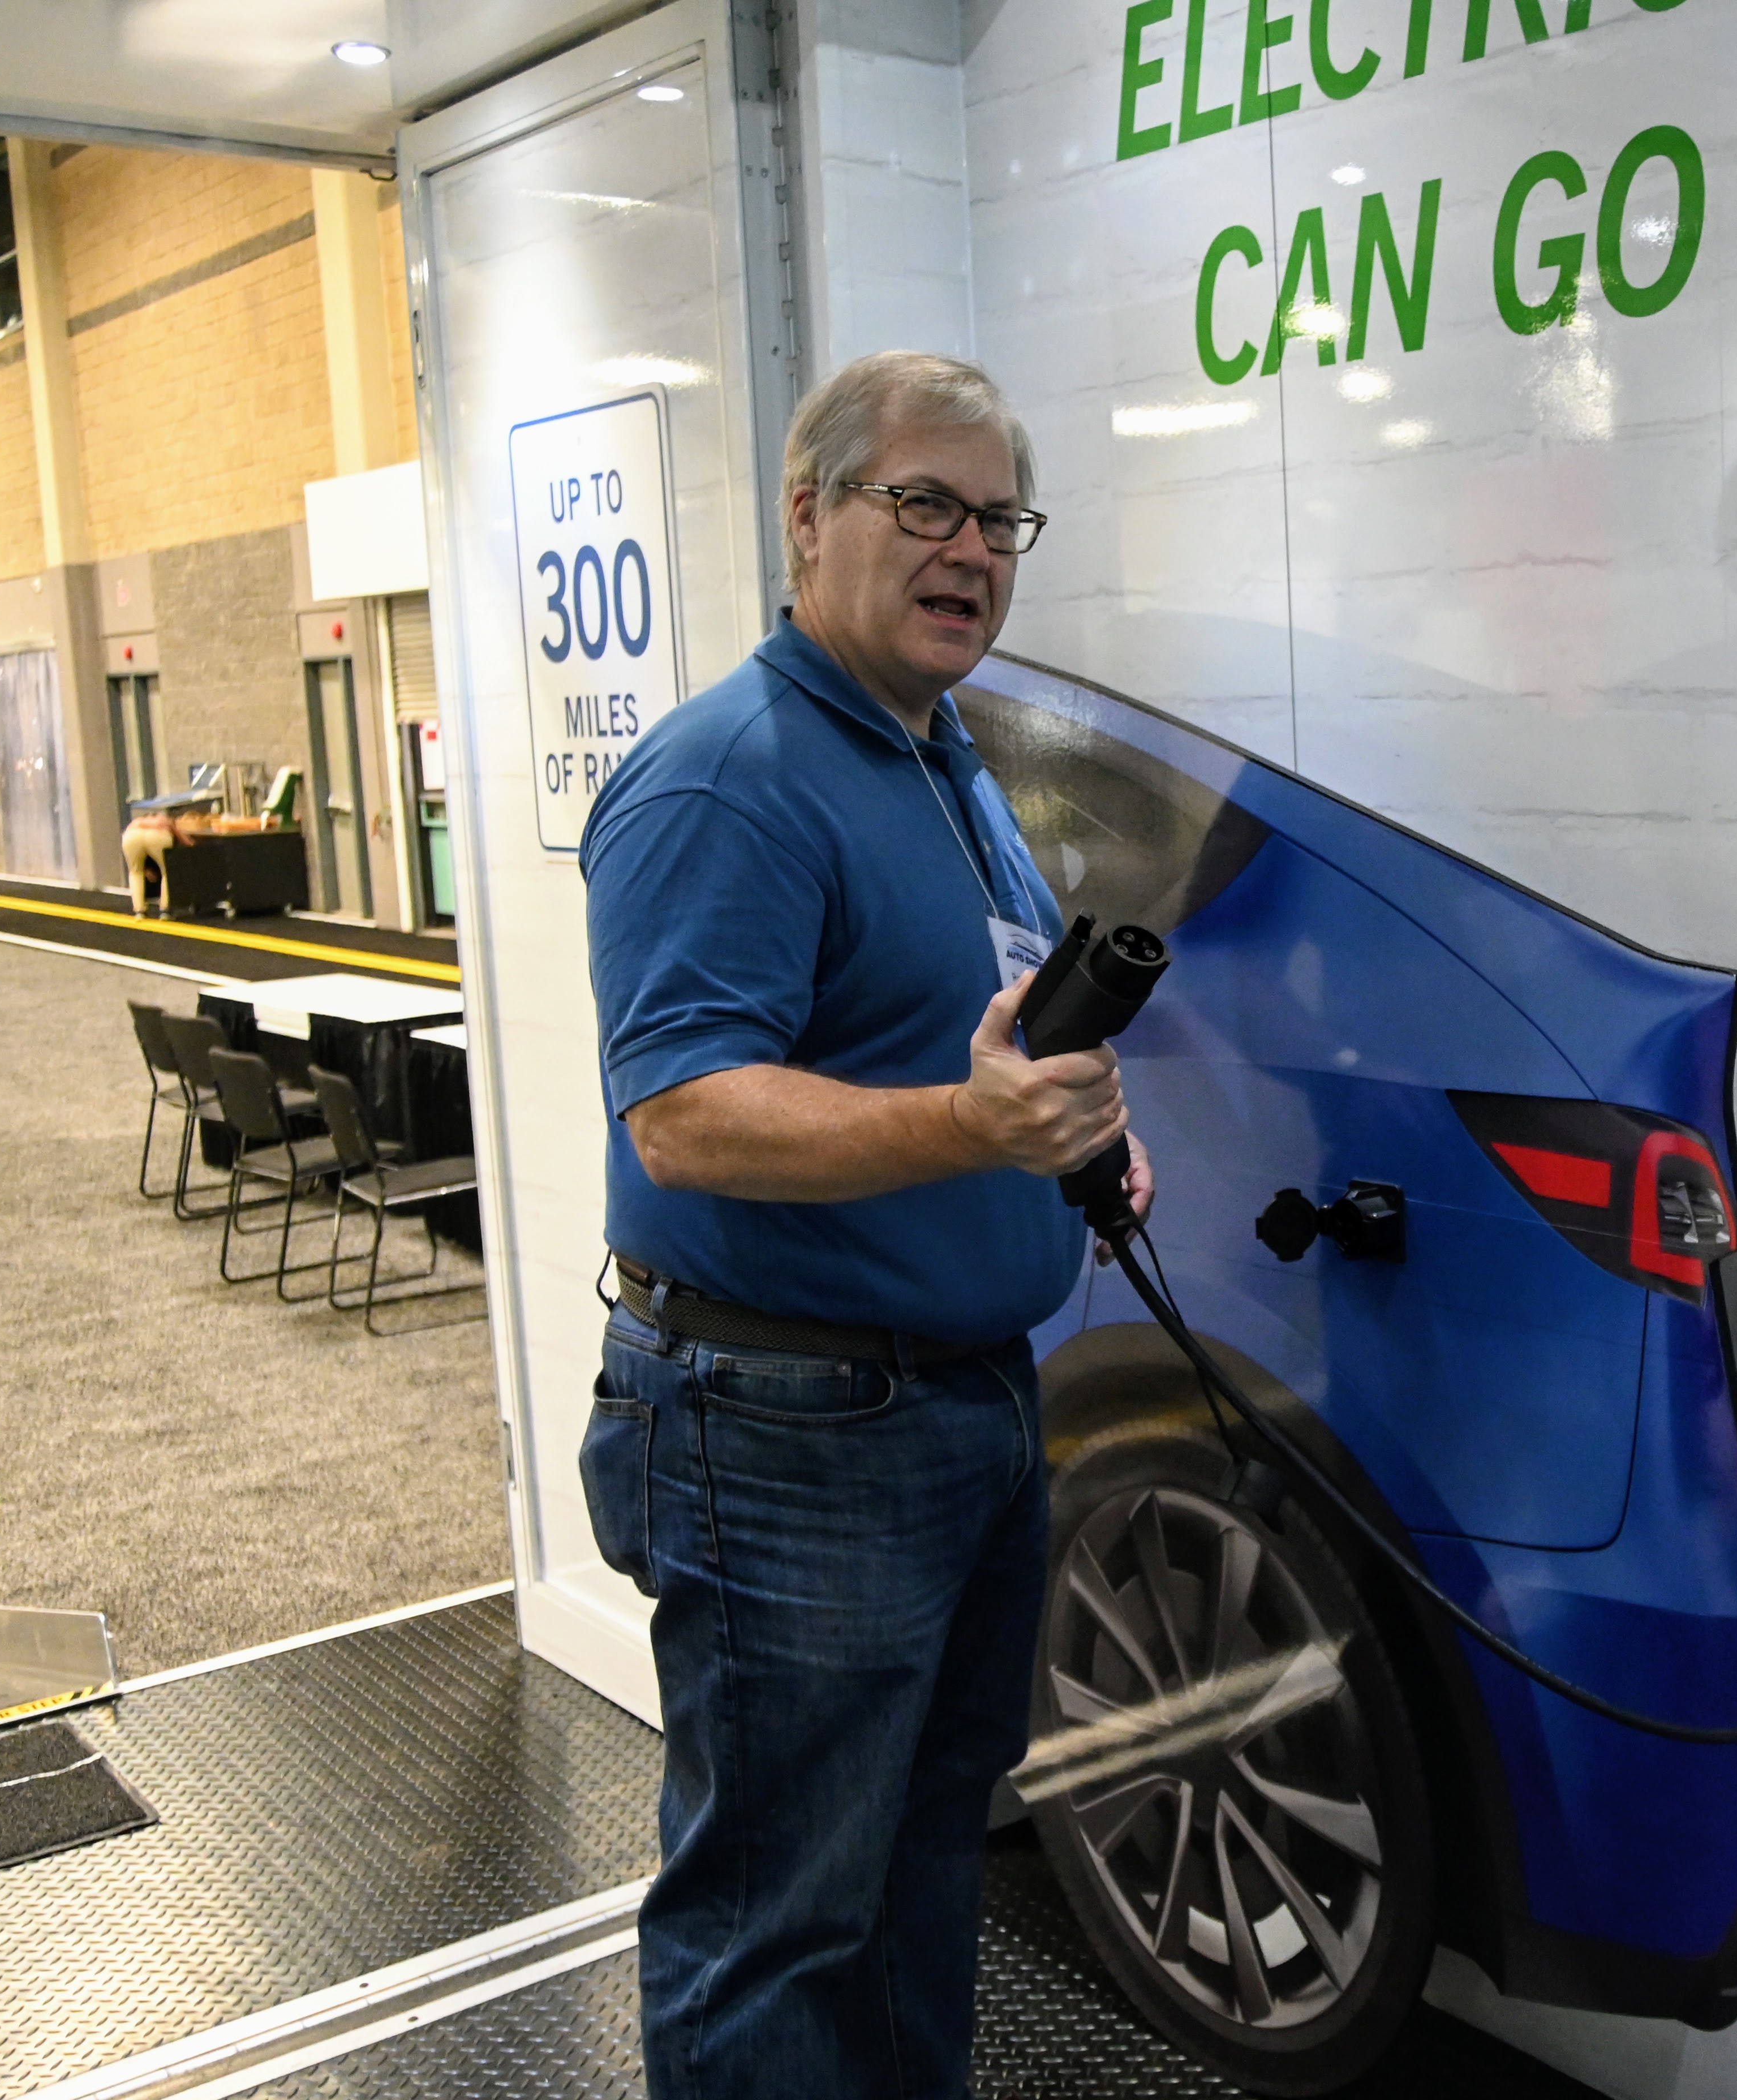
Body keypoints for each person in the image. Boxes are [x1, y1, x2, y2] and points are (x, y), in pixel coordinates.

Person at [577, 350, 1147, 2100]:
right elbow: (683, 1116)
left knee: (916, 1881)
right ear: (808, 516)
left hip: (960, 1409)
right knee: (778, 1922)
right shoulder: (727, 777)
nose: (968, 549)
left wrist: (1067, 1141)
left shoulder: (941, 761)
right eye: (925, 503)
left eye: (998, 519)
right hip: (785, 1430)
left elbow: (963, 1038)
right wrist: (970, 1125)